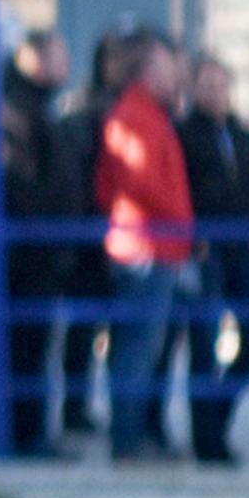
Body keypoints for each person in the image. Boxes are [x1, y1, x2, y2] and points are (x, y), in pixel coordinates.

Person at [93, 33, 191, 461]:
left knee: (145, 348)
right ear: (149, 72)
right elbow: (139, 184)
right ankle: (127, 442)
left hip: (155, 249)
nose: (174, 77)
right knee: (138, 348)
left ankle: (135, 437)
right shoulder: (135, 116)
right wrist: (184, 223)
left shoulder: (146, 114)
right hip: (146, 251)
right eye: (166, 68)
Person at [176, 52, 249, 465]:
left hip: (241, 253)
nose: (216, 93)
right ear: (194, 88)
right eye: (208, 85)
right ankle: (207, 441)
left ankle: (218, 417)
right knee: (203, 347)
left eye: (222, 85)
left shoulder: (242, 135)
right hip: (206, 253)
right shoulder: (184, 135)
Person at [55, 30, 137, 437]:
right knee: (83, 328)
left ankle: (122, 411)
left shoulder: (135, 107)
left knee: (124, 329)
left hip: (123, 232)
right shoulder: (85, 109)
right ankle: (76, 407)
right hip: (90, 234)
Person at [0, 29, 75, 453]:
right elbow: (25, 183)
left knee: (36, 348)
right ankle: (27, 437)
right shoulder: (19, 110)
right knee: (27, 348)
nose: (65, 66)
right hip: (30, 254)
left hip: (42, 251)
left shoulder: (37, 108)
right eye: (58, 56)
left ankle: (33, 433)